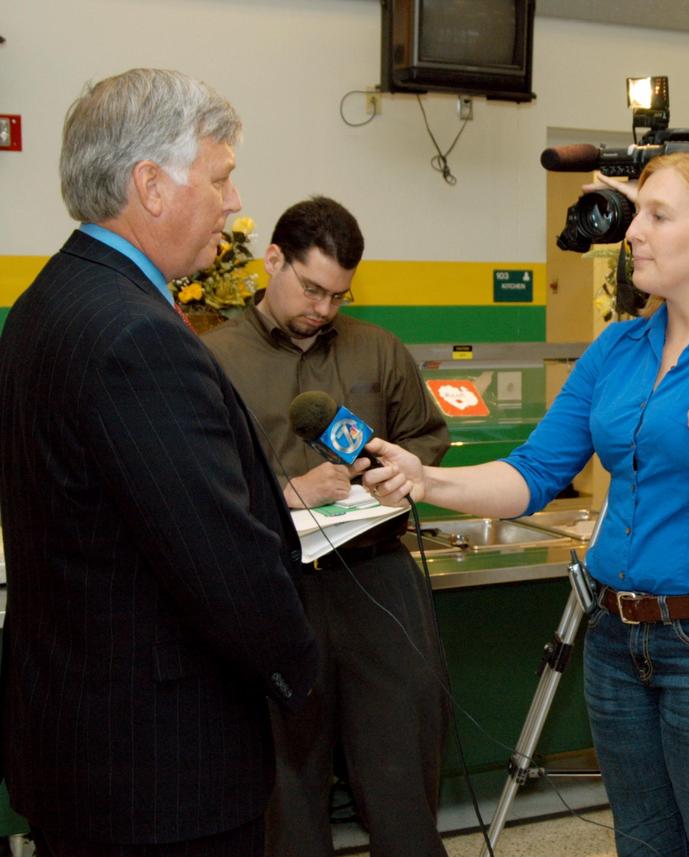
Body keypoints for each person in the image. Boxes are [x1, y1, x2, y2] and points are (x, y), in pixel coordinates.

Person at [355, 151, 689, 857]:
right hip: (618, 642)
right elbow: (533, 471)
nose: (633, 232)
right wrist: (427, 481)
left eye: (659, 216)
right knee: (645, 847)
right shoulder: (618, 347)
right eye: (639, 214)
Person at [0, 68, 319, 856]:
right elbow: (218, 556)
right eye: (221, 176)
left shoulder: (48, 302)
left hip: (78, 740)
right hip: (159, 769)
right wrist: (299, 669)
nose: (235, 201)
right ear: (150, 185)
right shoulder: (135, 336)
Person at [201, 196, 451, 857]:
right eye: (312, 288)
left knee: (402, 765)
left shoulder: (377, 349)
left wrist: (397, 473)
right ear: (273, 260)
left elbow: (427, 435)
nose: (323, 308)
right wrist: (284, 495)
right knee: (287, 784)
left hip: (378, 579)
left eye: (338, 295)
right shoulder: (212, 359)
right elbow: (197, 485)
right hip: (275, 586)